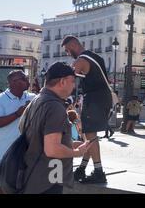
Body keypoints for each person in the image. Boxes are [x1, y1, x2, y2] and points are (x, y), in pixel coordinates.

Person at [20, 62, 92, 194]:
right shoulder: (55, 107)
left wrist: (68, 144)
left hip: (32, 175)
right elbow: (52, 149)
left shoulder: (37, 100)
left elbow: (32, 136)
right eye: (72, 81)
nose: (74, 85)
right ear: (63, 82)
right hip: (47, 180)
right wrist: (76, 153)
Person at [62, 35, 112, 184]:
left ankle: (98, 172)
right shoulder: (94, 56)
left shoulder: (81, 60)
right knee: (89, 137)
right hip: (103, 97)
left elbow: (68, 81)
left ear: (73, 45)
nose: (67, 53)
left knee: (90, 136)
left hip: (95, 98)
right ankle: (82, 169)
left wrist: (65, 99)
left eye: (67, 50)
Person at [0, 70, 36, 190]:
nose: (27, 80)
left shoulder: (32, 98)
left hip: (25, 152)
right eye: (24, 78)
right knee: (3, 186)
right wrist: (17, 114)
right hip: (2, 153)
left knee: (24, 185)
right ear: (14, 82)